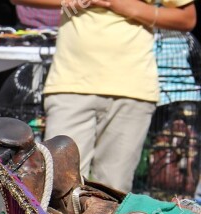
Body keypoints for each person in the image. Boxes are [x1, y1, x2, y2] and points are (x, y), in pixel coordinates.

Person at [12, 0, 197, 192]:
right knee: (59, 187)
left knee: (113, 192)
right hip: (70, 85)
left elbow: (186, 18)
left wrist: (125, 5)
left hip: (133, 89)